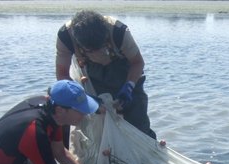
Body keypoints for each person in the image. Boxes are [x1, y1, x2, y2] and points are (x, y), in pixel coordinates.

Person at [56, 10, 156, 143]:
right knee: (99, 125)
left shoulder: (119, 32)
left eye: (101, 48)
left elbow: (138, 63)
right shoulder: (65, 36)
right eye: (91, 51)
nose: (96, 54)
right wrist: (84, 98)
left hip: (124, 69)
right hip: (91, 74)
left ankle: (148, 153)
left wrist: (129, 86)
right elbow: (62, 76)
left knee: (138, 121)